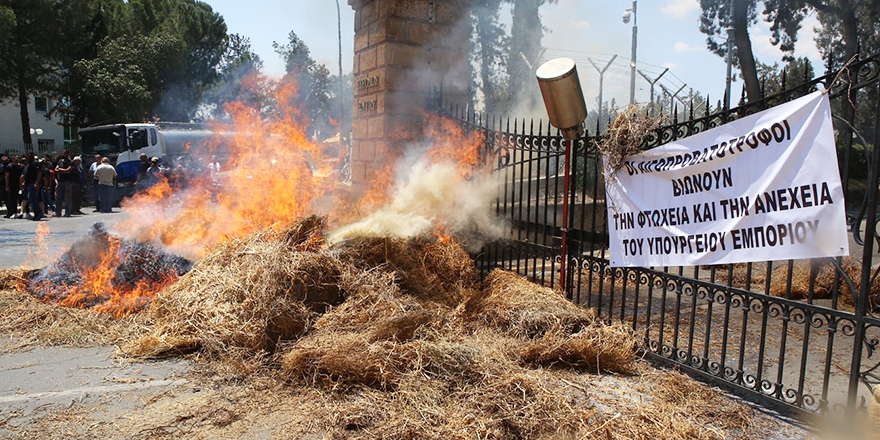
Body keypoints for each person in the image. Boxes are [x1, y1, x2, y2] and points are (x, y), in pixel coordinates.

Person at [21, 152, 43, 221]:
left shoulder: (36, 163)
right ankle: (38, 212)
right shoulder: (28, 165)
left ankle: (38, 212)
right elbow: (25, 175)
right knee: (30, 198)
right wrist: (24, 182)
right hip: (28, 184)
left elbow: (39, 174)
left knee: (32, 198)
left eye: (28, 155)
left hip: (33, 184)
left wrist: (36, 183)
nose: (27, 156)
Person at [54, 150, 73, 218]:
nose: (63, 154)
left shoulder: (71, 162)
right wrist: (63, 170)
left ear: (67, 154)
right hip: (60, 182)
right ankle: (58, 213)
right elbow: (55, 170)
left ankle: (67, 213)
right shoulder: (60, 161)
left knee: (67, 198)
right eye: (62, 153)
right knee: (58, 197)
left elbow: (68, 171)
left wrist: (60, 170)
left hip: (67, 182)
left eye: (64, 153)